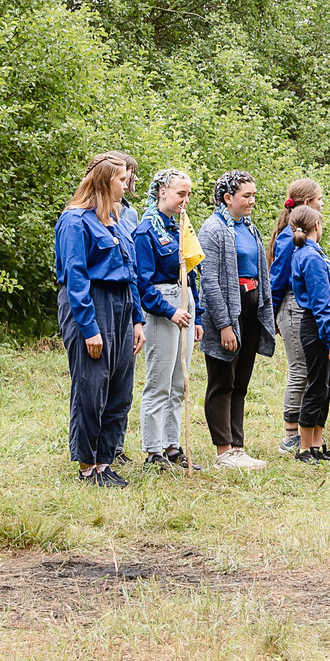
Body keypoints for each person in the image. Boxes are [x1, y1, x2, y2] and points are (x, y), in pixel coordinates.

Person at [58, 153, 142, 487]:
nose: (126, 183)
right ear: (105, 181)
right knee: (92, 386)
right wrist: (89, 328)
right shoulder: (75, 220)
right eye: (121, 179)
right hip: (92, 303)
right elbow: (75, 275)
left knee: (120, 387)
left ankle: (105, 461)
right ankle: (87, 464)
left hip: (122, 305)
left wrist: (137, 320)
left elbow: (131, 271)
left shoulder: (116, 219)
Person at [195, 171, 271, 468]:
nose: (252, 201)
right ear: (227, 198)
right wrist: (224, 325)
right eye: (246, 196)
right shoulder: (213, 229)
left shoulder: (249, 228)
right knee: (222, 380)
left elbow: (260, 270)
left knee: (241, 381)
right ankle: (223, 450)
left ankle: (238, 447)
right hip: (227, 310)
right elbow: (210, 281)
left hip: (251, 307)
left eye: (253, 195)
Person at [130, 169, 200, 469]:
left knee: (179, 382)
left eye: (188, 194)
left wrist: (198, 316)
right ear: (162, 192)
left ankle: (173, 446)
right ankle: (153, 450)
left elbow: (191, 273)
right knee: (159, 381)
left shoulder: (179, 227)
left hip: (185, 302)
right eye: (180, 194)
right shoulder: (146, 231)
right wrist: (169, 311)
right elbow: (142, 283)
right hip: (163, 308)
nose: (186, 200)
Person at [284, 204, 330, 463]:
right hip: (319, 325)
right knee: (316, 386)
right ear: (316, 226)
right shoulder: (310, 258)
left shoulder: (312, 253)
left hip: (325, 322)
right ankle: (304, 448)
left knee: (327, 387)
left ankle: (317, 446)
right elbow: (321, 304)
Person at [269, 177, 322, 455]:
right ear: (307, 202)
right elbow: (277, 279)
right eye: (319, 199)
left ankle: (307, 429)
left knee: (309, 369)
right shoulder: (288, 238)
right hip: (292, 306)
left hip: (304, 306)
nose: (322, 203)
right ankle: (291, 434)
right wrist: (272, 314)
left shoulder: (302, 235)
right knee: (300, 369)